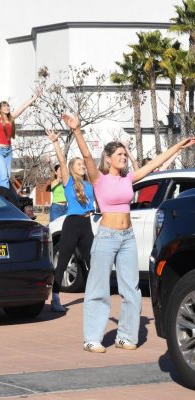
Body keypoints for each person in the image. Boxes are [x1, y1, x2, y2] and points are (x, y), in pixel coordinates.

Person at [62, 113, 195, 353]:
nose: (124, 157)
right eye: (120, 155)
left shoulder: (128, 179)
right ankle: (92, 338)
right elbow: (86, 156)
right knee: (98, 287)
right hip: (106, 236)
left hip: (127, 238)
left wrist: (177, 146)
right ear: (109, 158)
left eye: (125, 154)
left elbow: (154, 164)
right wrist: (77, 130)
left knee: (131, 290)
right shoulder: (98, 178)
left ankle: (125, 335)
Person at [45, 129, 95, 313]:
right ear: (73, 168)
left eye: (83, 164)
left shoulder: (89, 184)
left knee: (92, 260)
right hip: (72, 223)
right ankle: (55, 297)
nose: (83, 165)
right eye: (79, 164)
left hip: (87, 224)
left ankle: (93, 296)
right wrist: (56, 143)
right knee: (64, 260)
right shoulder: (67, 182)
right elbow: (61, 162)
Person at [0, 82, 42, 188]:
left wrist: (35, 97)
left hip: (8, 151)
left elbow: (23, 107)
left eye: (8, 106)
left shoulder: (11, 118)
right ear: (0, 109)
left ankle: (0, 195)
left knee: (7, 176)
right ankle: (3, 200)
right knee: (3, 177)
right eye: (4, 106)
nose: (7, 108)